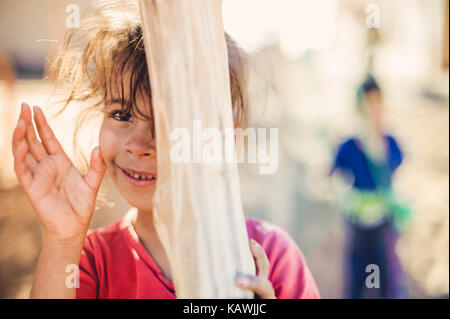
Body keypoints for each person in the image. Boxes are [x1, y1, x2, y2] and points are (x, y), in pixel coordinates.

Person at [11, 1, 319, 299]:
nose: (138, 145)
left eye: (169, 122)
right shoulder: (89, 263)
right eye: (121, 114)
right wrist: (62, 241)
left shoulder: (272, 258)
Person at [330, 74, 409, 299]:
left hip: (384, 226)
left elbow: (393, 168)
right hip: (357, 227)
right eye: (367, 103)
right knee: (357, 279)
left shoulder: (391, 143)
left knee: (387, 282)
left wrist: (376, 145)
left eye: (376, 102)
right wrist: (345, 197)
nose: (372, 109)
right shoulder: (348, 146)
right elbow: (333, 177)